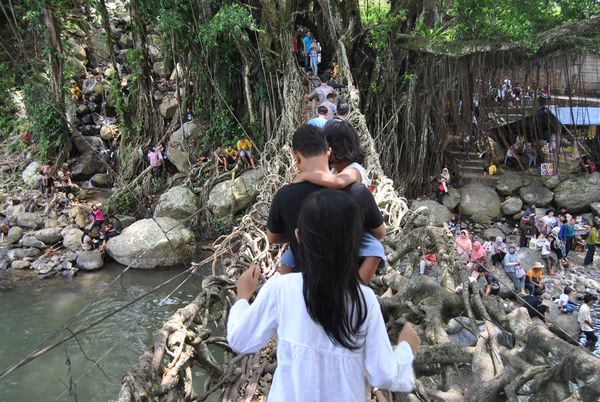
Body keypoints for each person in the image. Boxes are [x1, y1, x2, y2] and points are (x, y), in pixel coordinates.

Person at [229, 190, 418, 401]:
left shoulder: (281, 288)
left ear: (299, 236)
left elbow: (240, 339)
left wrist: (242, 297)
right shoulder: (364, 301)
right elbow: (383, 376)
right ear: (355, 243)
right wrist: (405, 350)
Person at [266, 124, 386, 284]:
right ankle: (359, 289)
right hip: (349, 290)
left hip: (306, 290)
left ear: (297, 157)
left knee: (288, 257)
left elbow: (272, 237)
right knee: (375, 248)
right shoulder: (359, 193)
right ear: (328, 152)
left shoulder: (283, 196)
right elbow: (380, 233)